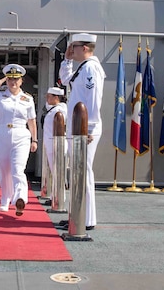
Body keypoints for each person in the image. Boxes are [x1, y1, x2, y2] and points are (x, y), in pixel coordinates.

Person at [0, 64, 37, 216]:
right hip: (2, 132)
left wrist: (34, 140)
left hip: (21, 134)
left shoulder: (27, 99)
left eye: (16, 79)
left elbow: (32, 121)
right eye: (10, 79)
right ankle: (5, 198)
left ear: (21, 81)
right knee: (4, 170)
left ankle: (20, 198)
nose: (13, 82)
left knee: (18, 169)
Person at [59, 33, 105, 230]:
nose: (71, 50)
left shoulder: (91, 69)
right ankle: (77, 214)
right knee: (78, 173)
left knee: (83, 173)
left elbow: (93, 100)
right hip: (78, 128)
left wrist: (90, 127)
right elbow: (64, 79)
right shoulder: (83, 68)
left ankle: (86, 219)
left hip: (85, 129)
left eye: (74, 47)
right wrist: (67, 61)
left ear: (84, 48)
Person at [42, 86, 67, 202]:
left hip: (57, 143)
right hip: (51, 143)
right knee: (54, 171)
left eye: (49, 96)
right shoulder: (54, 109)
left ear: (56, 97)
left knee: (58, 172)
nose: (47, 98)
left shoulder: (61, 110)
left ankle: (59, 198)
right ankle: (55, 196)